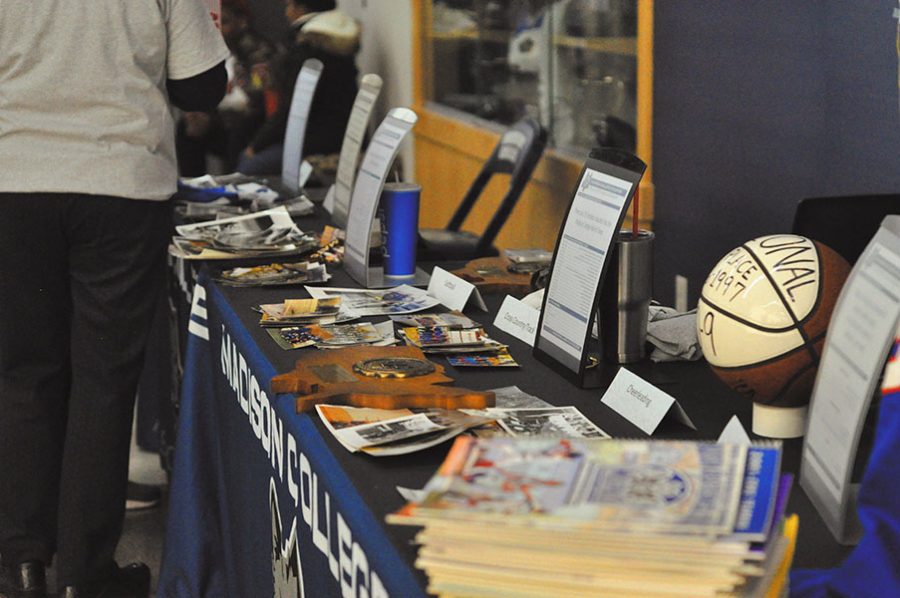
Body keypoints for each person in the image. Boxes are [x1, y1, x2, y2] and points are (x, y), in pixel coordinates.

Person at [0, 2, 229, 597]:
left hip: (12, 182)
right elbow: (203, 86)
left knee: (24, 374)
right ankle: (85, 574)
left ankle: (22, 562)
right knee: (103, 382)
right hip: (120, 184)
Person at [236, 0, 360, 175]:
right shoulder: (336, 39)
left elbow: (293, 107)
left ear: (300, 9)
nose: (286, 13)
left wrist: (257, 145)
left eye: (289, 6)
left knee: (249, 166)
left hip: (315, 140)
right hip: (340, 134)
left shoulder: (306, 47)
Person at [176, 0, 279, 176]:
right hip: (221, 119)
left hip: (252, 123)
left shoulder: (258, 49)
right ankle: (194, 186)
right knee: (186, 127)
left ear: (242, 21)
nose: (218, 29)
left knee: (240, 129)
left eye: (224, 22)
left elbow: (259, 97)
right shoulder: (209, 48)